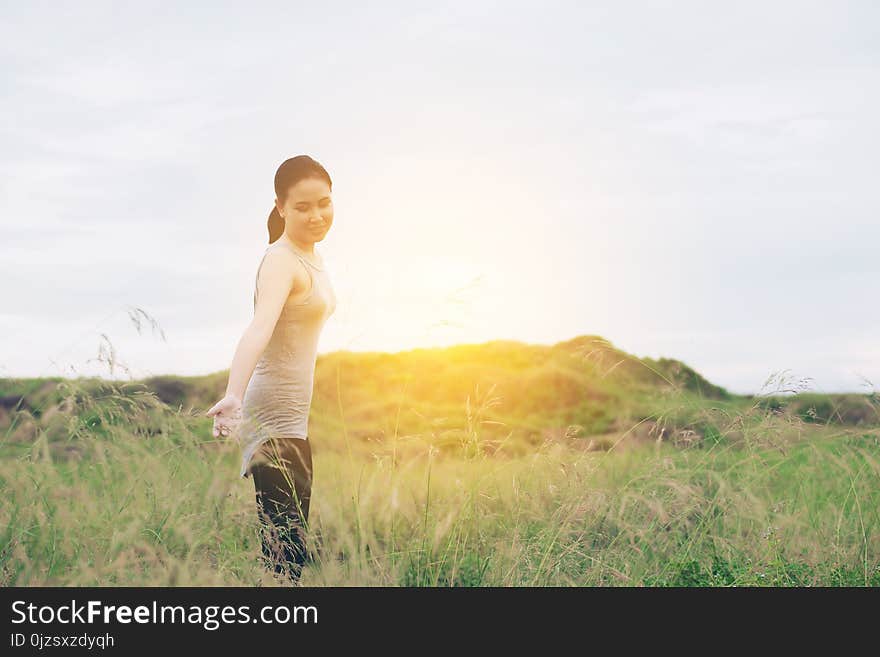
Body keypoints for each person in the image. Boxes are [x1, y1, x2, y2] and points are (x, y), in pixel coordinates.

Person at [206, 155, 337, 584]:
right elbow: (259, 328)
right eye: (302, 207)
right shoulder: (281, 260)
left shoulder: (308, 255)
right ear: (280, 207)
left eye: (324, 203)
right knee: (284, 555)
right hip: (271, 420)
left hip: (292, 422)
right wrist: (233, 394)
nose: (316, 215)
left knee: (292, 550)